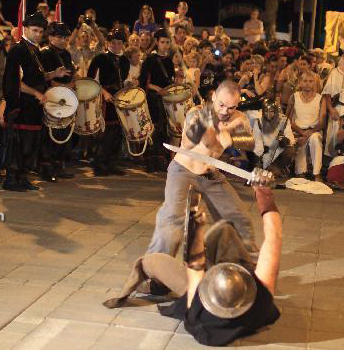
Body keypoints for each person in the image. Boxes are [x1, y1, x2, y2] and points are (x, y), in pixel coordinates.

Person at [104, 174, 280, 347]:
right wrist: (263, 193)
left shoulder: (201, 323)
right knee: (224, 229)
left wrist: (194, 217)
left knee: (150, 261)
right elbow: (274, 236)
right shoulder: (262, 303)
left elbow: (194, 265)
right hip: (226, 281)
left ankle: (154, 286)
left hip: (197, 286)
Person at [146, 79, 258, 262]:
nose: (225, 111)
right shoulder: (196, 113)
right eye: (221, 104)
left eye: (231, 107)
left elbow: (251, 144)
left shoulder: (239, 118)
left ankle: (245, 266)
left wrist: (235, 137)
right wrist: (210, 127)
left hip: (211, 174)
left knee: (239, 218)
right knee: (172, 219)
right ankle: (155, 270)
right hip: (183, 170)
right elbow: (189, 144)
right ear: (213, 96)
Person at [1, 12, 70, 191]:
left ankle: (22, 176)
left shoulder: (35, 50)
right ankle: (11, 179)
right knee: (18, 143)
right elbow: (15, 81)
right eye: (35, 30)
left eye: (41, 31)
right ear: (25, 29)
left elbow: (36, 76)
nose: (38, 34)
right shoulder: (18, 49)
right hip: (20, 106)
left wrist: (54, 74)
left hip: (32, 108)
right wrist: (36, 94)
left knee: (29, 144)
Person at [87, 28, 130, 176]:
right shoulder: (100, 59)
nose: (116, 45)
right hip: (103, 99)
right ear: (108, 43)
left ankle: (112, 163)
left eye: (119, 43)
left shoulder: (125, 61)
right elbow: (91, 81)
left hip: (118, 98)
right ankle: (99, 164)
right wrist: (104, 92)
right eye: (114, 42)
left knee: (117, 131)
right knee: (104, 132)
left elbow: (122, 80)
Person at [39, 22, 76, 182]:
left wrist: (72, 84)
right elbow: (46, 78)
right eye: (59, 36)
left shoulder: (66, 54)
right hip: (52, 96)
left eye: (65, 37)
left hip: (66, 95)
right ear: (51, 37)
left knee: (64, 130)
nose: (63, 40)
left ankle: (60, 165)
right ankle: (46, 168)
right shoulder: (45, 53)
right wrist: (65, 86)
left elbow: (72, 73)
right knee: (50, 132)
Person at [139, 28, 175, 173]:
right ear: (157, 43)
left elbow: (170, 81)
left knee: (163, 130)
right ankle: (149, 160)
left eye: (168, 42)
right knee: (152, 129)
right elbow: (143, 81)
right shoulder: (150, 60)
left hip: (165, 100)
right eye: (163, 42)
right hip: (153, 99)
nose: (165, 45)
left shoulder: (169, 61)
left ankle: (160, 159)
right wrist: (157, 88)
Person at [289, 71, 327, 182]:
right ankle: (302, 171)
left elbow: (322, 122)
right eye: (305, 81)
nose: (307, 84)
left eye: (311, 81)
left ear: (314, 83)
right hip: (297, 132)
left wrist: (309, 133)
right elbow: (288, 120)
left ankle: (317, 173)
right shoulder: (294, 97)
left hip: (314, 131)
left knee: (315, 139)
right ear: (300, 82)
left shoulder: (320, 98)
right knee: (300, 175)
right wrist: (302, 133)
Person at [250, 96, 296, 178]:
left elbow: (291, 140)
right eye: (266, 111)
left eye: (271, 111)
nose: (268, 114)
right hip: (264, 152)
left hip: (278, 153)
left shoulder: (284, 121)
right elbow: (257, 141)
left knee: (290, 150)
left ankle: (276, 169)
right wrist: (260, 159)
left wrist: (284, 140)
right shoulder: (259, 122)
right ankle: (269, 171)